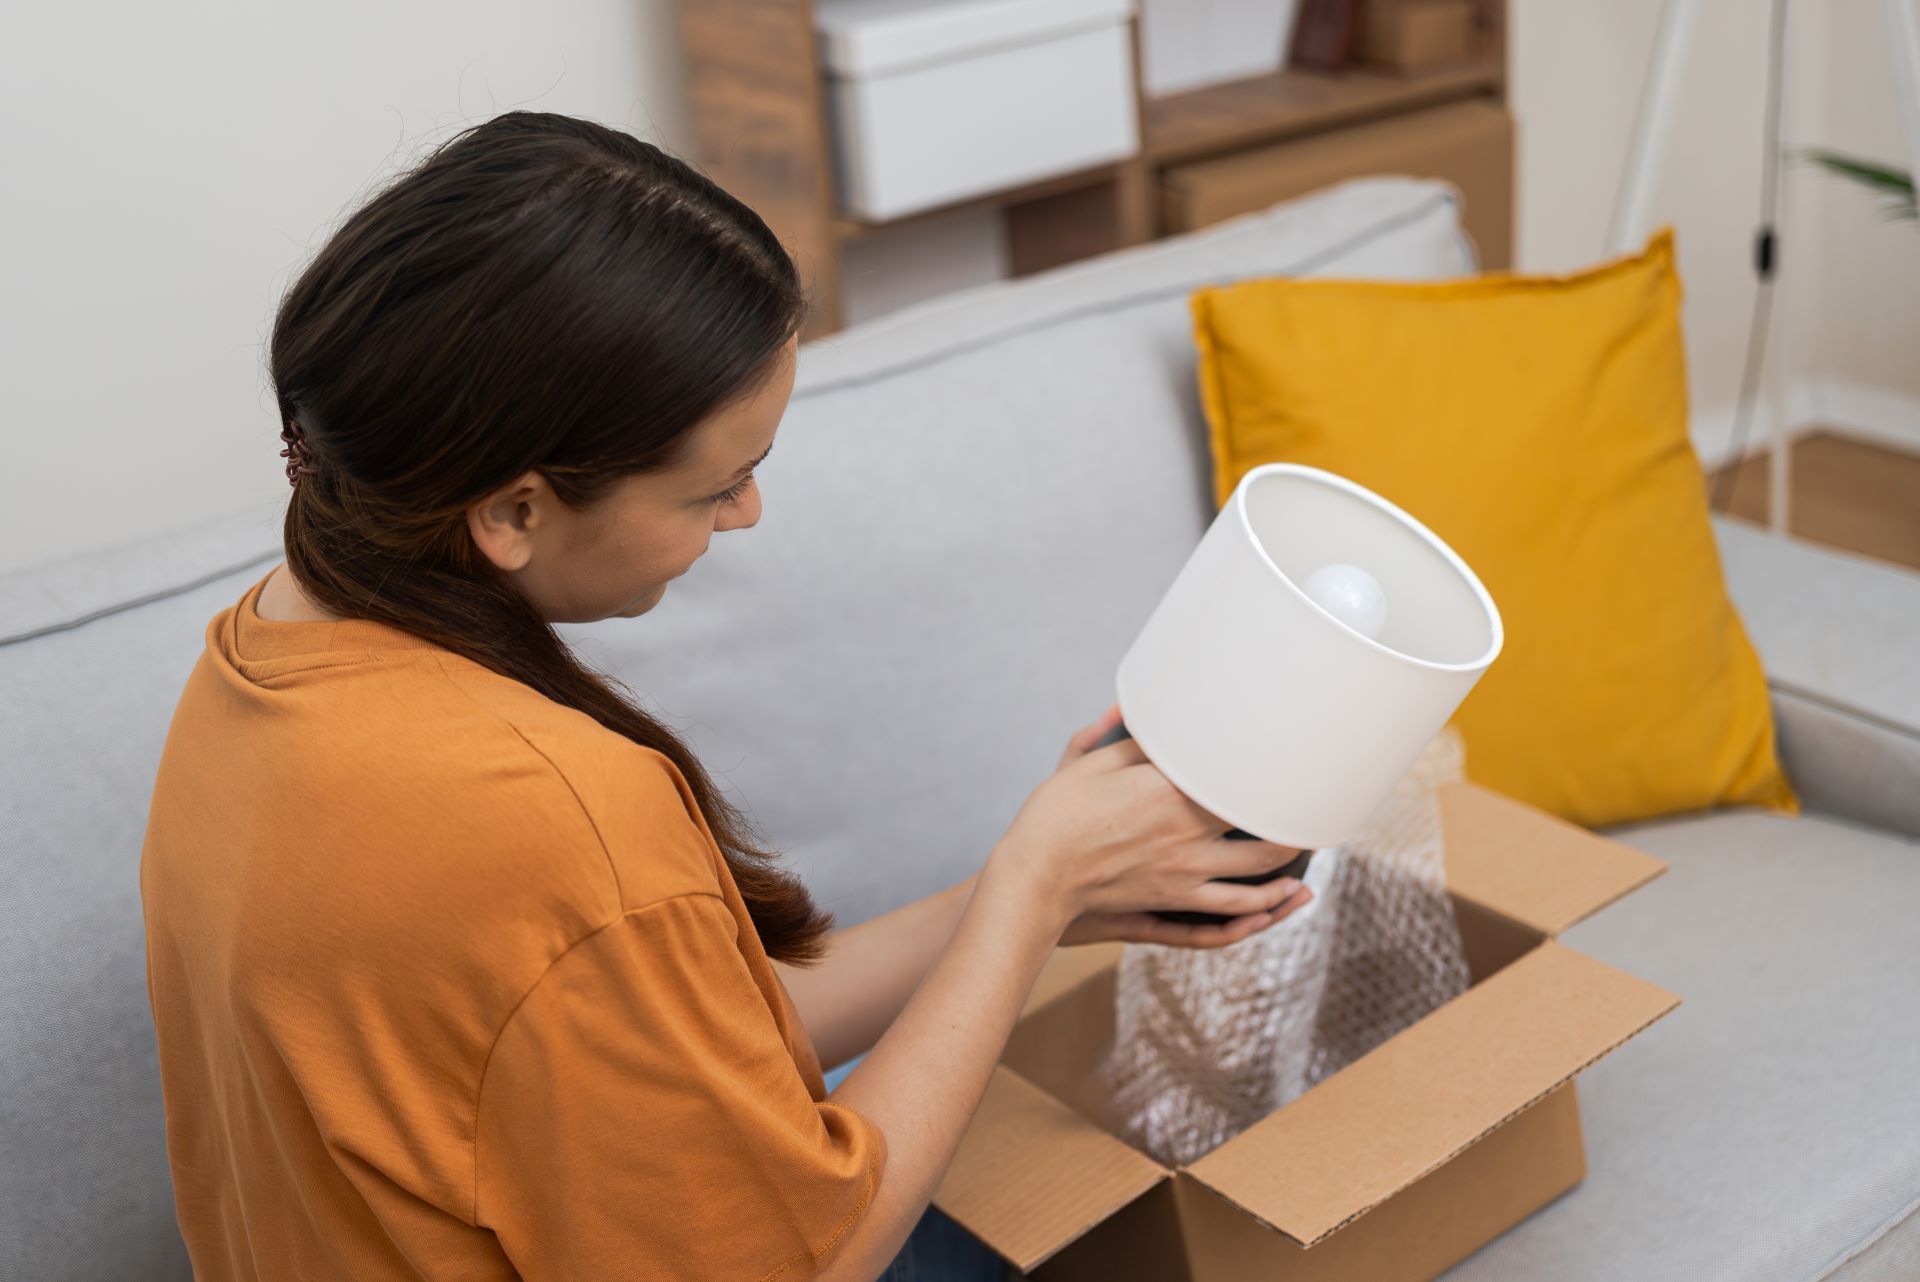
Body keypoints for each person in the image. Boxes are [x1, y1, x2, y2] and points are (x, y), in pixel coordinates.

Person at [139, 111, 1314, 1282]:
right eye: (721, 486)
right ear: (513, 511)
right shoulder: (548, 819)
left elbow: (649, 1059)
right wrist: (1035, 884)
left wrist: (1042, 890)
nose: (747, 514)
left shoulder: (252, 665)